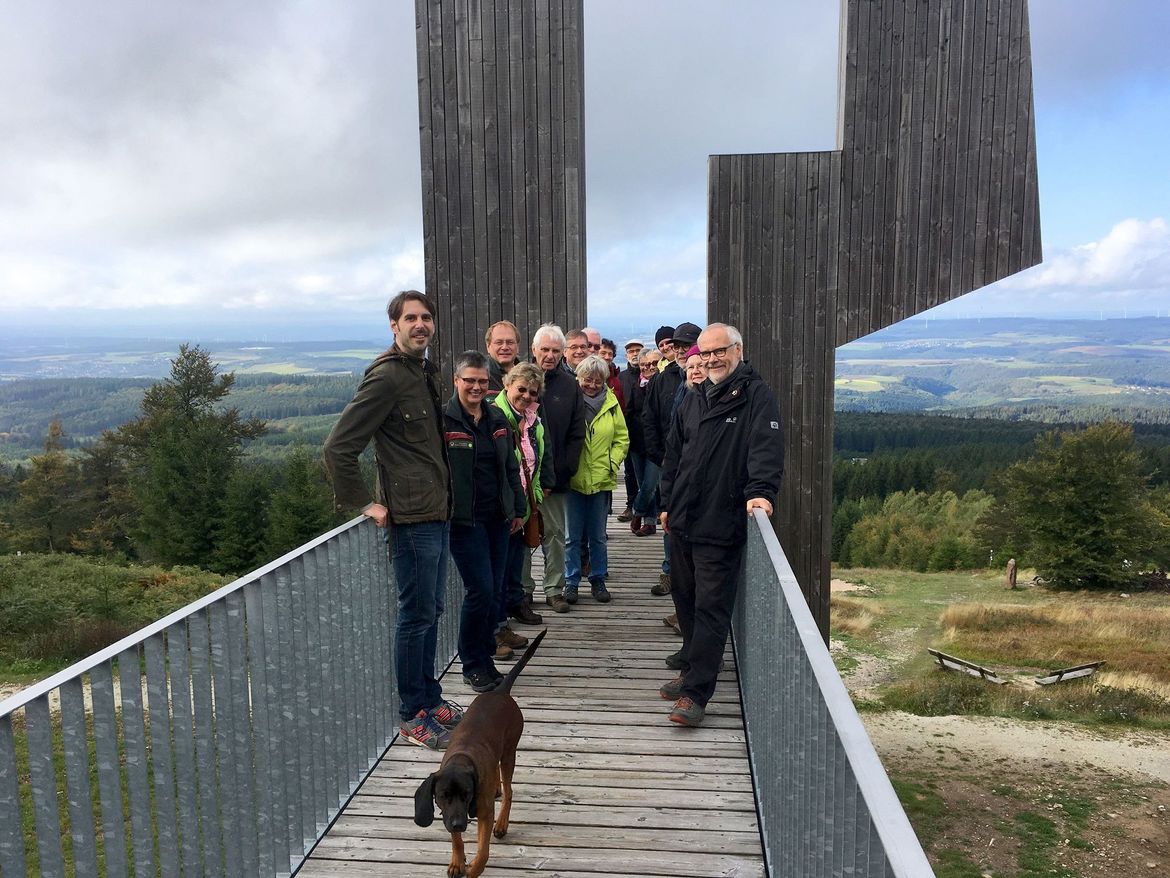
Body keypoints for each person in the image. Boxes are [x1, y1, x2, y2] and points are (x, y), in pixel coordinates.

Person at [323, 290, 458, 750]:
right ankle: (410, 714)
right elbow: (338, 447)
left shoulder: (421, 372)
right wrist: (366, 503)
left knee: (432, 610)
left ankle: (430, 698)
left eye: (426, 318)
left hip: (437, 511)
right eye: (411, 318)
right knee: (415, 616)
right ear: (394, 326)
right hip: (412, 519)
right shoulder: (385, 378)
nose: (420, 325)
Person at [658, 323, 783, 727]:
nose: (712, 359)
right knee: (685, 597)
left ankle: (696, 693)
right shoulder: (693, 399)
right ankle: (693, 668)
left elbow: (766, 450)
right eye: (706, 353)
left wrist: (761, 492)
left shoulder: (756, 397)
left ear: (738, 350)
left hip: (721, 520)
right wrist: (665, 503)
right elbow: (673, 456)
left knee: (711, 607)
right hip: (683, 520)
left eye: (719, 351)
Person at [442, 351, 526, 692]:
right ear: (456, 381)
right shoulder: (443, 422)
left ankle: (486, 657)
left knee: (494, 594)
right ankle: (472, 663)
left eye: (482, 381)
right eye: (469, 381)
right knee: (481, 591)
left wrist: (518, 509)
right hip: (465, 521)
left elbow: (511, 468)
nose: (476, 387)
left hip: (499, 519)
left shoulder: (497, 420)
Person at [637, 322, 701, 590]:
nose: (682, 351)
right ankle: (670, 572)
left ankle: (684, 578)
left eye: (687, 345)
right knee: (669, 516)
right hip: (670, 463)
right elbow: (648, 418)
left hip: (697, 469)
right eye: (677, 346)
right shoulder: (664, 379)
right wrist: (660, 456)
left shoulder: (703, 380)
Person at [528, 324, 586, 613]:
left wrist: (565, 469)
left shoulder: (569, 384)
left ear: (562, 353)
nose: (549, 356)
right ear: (533, 350)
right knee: (523, 536)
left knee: (555, 535)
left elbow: (578, 431)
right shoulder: (520, 380)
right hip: (523, 477)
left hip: (557, 476)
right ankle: (523, 592)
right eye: (545, 350)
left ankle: (554, 589)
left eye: (555, 350)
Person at [493, 362, 553, 628]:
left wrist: (535, 494)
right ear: (507, 385)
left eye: (532, 392)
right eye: (521, 389)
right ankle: (497, 625)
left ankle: (516, 603)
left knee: (516, 560)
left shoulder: (532, 419)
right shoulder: (495, 416)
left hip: (523, 502)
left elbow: (534, 459)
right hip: (501, 505)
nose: (527, 396)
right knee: (499, 567)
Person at [565, 355, 629, 604]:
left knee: (598, 535)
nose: (592, 385)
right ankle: (571, 582)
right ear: (578, 378)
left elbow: (622, 438)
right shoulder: (570, 403)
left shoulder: (611, 403)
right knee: (571, 536)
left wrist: (612, 463)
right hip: (574, 479)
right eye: (587, 380)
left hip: (601, 480)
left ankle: (598, 579)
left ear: (604, 381)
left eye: (597, 380)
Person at [662, 346, 707, 645]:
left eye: (701, 365)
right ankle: (688, 647)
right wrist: (665, 504)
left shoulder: (726, 404)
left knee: (703, 590)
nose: (695, 371)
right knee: (682, 585)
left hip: (710, 513)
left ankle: (700, 654)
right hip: (680, 509)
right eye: (690, 367)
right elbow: (673, 457)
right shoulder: (687, 402)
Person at [616, 339, 644, 523]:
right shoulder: (622, 377)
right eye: (631, 351)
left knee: (649, 474)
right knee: (629, 472)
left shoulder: (650, 373)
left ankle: (650, 507)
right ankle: (630, 505)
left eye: (638, 350)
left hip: (646, 431)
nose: (634, 354)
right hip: (626, 430)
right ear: (626, 355)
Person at [485, 320, 521, 391]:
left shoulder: (528, 376)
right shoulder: (480, 376)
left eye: (510, 342)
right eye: (499, 342)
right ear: (488, 347)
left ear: (518, 346)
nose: (505, 347)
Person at [599, 338, 626, 411]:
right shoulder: (587, 376)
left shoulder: (616, 381)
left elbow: (621, 408)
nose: (607, 357)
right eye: (603, 353)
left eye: (610, 354)